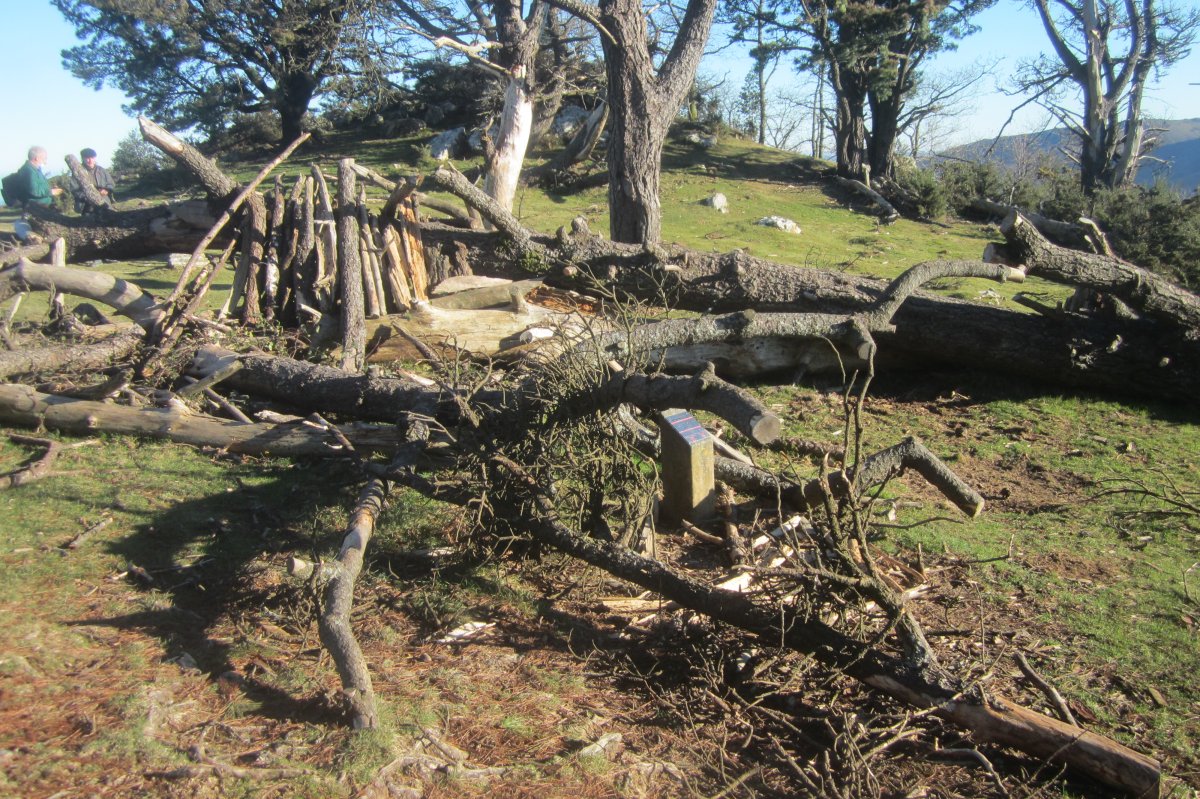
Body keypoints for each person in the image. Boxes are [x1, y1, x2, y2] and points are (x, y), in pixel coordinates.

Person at [71, 147, 116, 214]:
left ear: (95, 158)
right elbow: (74, 190)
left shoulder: (102, 170)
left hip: (104, 202)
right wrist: (88, 197)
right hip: (86, 206)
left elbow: (111, 184)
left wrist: (106, 190)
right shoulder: (77, 173)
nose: (90, 160)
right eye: (87, 158)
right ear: (82, 158)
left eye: (92, 158)